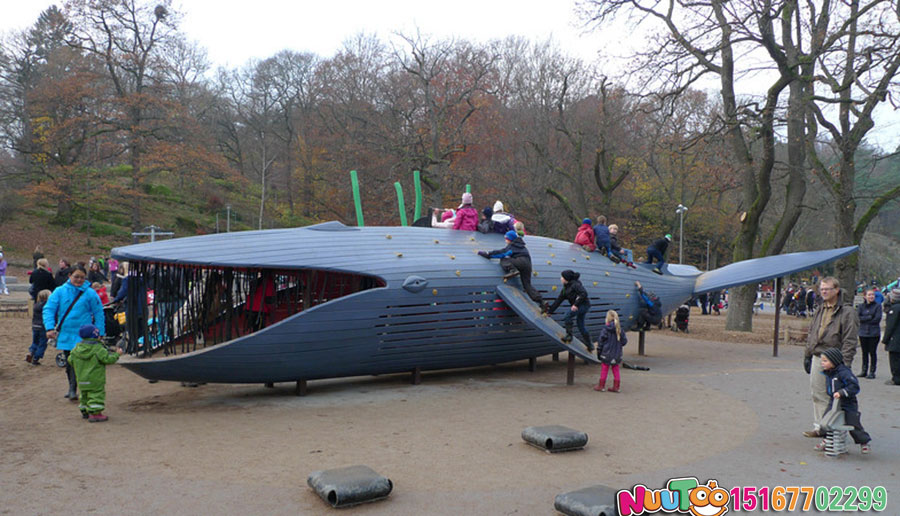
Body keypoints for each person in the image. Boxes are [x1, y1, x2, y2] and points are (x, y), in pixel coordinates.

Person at [802, 277, 857, 438]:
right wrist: (807, 354)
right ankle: (820, 427)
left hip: (835, 360)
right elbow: (813, 332)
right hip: (818, 356)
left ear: (836, 290)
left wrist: (844, 365)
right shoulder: (820, 308)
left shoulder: (847, 312)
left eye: (827, 289)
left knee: (834, 396)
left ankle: (833, 429)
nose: (824, 292)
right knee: (817, 393)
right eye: (822, 289)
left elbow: (850, 340)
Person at [44, 265, 106, 400]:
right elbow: (49, 308)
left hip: (85, 335)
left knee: (82, 363)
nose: (79, 280)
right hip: (66, 334)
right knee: (70, 362)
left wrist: (100, 331)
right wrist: (49, 327)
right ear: (69, 276)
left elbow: (98, 312)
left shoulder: (90, 293)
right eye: (76, 277)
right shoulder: (59, 291)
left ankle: (79, 388)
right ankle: (72, 387)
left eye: (82, 278)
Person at [814, 347, 871, 454]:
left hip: (848, 402)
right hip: (834, 401)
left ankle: (864, 442)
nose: (822, 363)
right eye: (822, 361)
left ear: (834, 361)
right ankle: (827, 439)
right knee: (826, 420)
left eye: (825, 361)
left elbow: (854, 386)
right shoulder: (829, 372)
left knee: (853, 423)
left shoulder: (844, 372)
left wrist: (842, 392)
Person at [477, 230, 545, 308]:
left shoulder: (512, 246)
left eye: (506, 238)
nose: (505, 240)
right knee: (527, 285)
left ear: (510, 239)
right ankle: (541, 301)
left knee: (504, 259)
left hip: (520, 261)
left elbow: (502, 253)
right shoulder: (521, 245)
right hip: (528, 264)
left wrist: (488, 254)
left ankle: (512, 270)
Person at [68, 324, 122, 422]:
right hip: (95, 379)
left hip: (81, 379)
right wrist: (116, 355)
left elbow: (70, 360)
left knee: (84, 395)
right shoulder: (98, 349)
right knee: (96, 395)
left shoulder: (76, 349)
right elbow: (107, 359)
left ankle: (84, 411)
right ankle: (95, 413)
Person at [545, 270, 593, 350]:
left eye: (562, 277)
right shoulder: (565, 289)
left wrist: (575, 304)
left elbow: (584, 293)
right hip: (577, 306)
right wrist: (550, 312)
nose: (560, 279)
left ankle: (569, 336)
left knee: (568, 315)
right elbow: (558, 300)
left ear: (566, 278)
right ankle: (590, 345)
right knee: (581, 326)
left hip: (583, 305)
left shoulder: (575, 285)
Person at [594, 310, 627, 392]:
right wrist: (618, 346)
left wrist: (599, 351)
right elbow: (624, 341)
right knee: (616, 369)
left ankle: (601, 386)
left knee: (604, 368)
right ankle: (616, 387)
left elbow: (601, 341)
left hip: (607, 353)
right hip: (617, 353)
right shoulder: (620, 329)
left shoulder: (606, 329)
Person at [857, 288, 882, 379]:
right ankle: (864, 370)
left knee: (872, 352)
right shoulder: (861, 306)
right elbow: (858, 318)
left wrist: (866, 318)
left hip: (873, 333)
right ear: (865, 296)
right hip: (863, 332)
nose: (871, 296)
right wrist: (869, 317)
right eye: (869, 295)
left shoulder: (877, 306)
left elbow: (877, 319)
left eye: (873, 295)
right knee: (864, 352)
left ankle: (872, 371)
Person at [26, 289, 52, 365]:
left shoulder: (36, 305)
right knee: (42, 343)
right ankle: (36, 358)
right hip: (43, 326)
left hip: (35, 326)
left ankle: (31, 352)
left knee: (35, 341)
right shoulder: (47, 306)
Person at [882, 288, 900, 386]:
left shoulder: (895, 309)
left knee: (894, 359)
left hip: (895, 339)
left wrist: (885, 339)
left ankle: (896, 378)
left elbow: (890, 326)